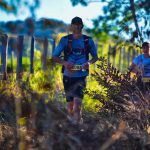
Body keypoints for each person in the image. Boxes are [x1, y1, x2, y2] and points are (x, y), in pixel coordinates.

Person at [52, 16, 98, 124]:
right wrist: (65, 63)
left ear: (81, 26)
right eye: (74, 24)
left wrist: (88, 63)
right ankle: (71, 128)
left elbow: (95, 57)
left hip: (81, 77)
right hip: (68, 76)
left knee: (77, 104)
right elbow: (54, 57)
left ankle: (77, 127)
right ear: (71, 26)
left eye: (79, 24)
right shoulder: (65, 40)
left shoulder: (88, 40)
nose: (77, 26)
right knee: (70, 106)